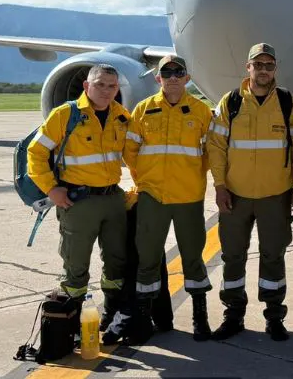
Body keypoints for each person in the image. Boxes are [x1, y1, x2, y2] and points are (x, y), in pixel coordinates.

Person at [207, 43, 293, 342]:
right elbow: (216, 147)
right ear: (248, 67)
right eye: (258, 64)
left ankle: (274, 316)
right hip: (235, 195)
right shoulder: (232, 102)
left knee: (273, 255)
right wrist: (219, 185)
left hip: (275, 195)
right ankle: (233, 315)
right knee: (233, 255)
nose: (263, 70)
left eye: (269, 65)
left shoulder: (289, 102)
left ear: (274, 69)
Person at [116, 54, 213, 343]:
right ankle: (145, 318)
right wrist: (144, 181)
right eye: (166, 72)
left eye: (178, 72)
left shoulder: (201, 112)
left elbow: (210, 154)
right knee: (147, 259)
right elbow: (130, 153)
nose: (172, 77)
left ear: (187, 77)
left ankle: (200, 318)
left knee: (193, 259)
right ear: (158, 78)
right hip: (152, 198)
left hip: (188, 198)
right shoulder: (143, 110)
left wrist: (191, 177)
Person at [26, 64, 132, 328]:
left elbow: (135, 157)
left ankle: (111, 313)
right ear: (87, 86)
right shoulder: (66, 115)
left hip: (112, 200)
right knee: (76, 265)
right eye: (100, 85)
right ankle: (71, 321)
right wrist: (51, 188)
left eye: (112, 86)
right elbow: (35, 152)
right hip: (79, 201)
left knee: (116, 261)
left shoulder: (121, 116)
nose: (106, 91)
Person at [102, 186, 174, 345]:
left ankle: (138, 317)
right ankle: (162, 318)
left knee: (141, 261)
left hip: (149, 196)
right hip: (146, 195)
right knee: (149, 259)